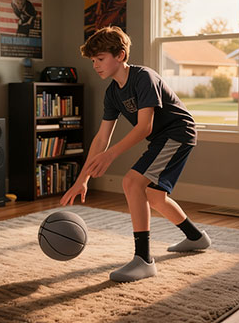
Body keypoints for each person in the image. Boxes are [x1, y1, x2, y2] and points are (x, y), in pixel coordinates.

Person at [60, 26, 211, 282]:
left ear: (119, 55)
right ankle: (196, 237)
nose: (95, 65)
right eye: (93, 60)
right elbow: (101, 138)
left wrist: (111, 156)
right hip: (162, 138)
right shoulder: (112, 93)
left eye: (100, 59)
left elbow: (145, 127)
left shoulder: (143, 78)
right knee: (154, 197)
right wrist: (82, 179)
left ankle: (144, 260)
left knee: (131, 182)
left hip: (178, 132)